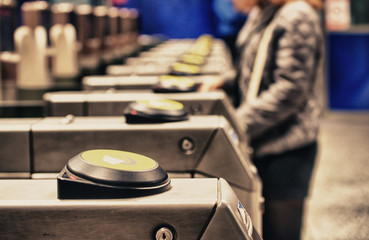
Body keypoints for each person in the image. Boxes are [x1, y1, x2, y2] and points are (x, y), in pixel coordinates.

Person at [199, 0, 324, 239]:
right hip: (264, 139)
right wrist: (225, 81)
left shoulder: (297, 15)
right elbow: (257, 66)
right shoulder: (264, 13)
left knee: (281, 232)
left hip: (287, 149)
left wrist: (235, 126)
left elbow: (289, 89)